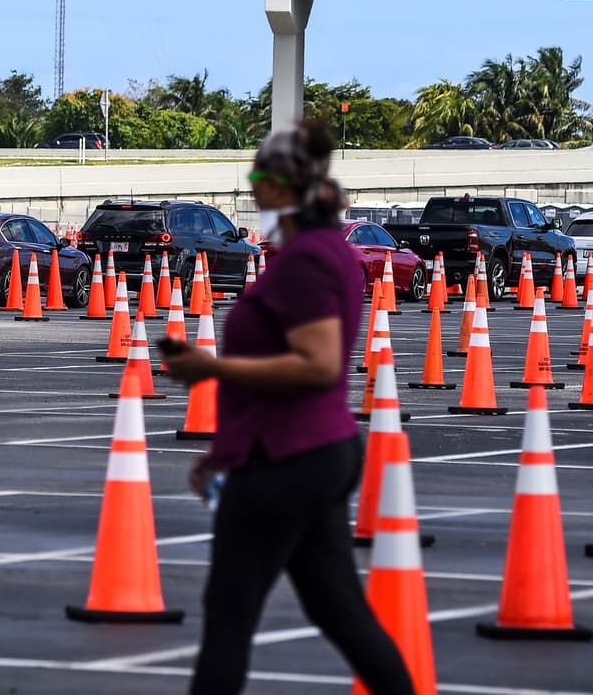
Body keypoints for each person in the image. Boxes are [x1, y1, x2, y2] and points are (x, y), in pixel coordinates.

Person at [163, 119, 414, 695]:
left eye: (257, 174)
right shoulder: (322, 252)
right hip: (309, 450)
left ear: (280, 185)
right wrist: (223, 452)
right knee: (337, 608)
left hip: (286, 456)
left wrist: (211, 368)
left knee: (229, 612)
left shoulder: (306, 262)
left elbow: (319, 364)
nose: (250, 185)